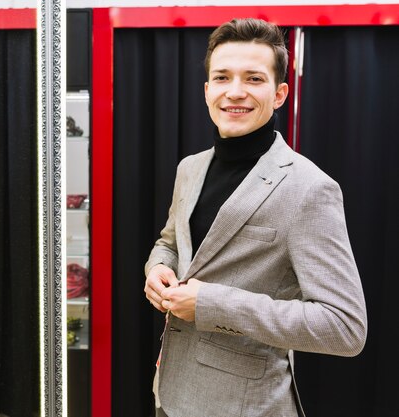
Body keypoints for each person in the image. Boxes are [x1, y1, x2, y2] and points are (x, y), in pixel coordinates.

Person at [144, 18, 366, 417]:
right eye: (222, 77)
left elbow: (344, 327)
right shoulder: (190, 169)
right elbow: (171, 243)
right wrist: (158, 268)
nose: (235, 92)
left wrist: (212, 302)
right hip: (170, 393)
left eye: (253, 79)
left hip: (248, 407)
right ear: (207, 89)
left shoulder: (309, 189)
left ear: (280, 93)